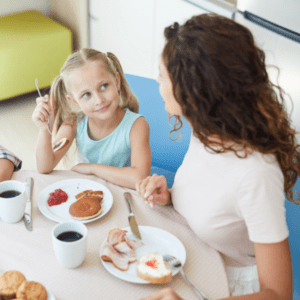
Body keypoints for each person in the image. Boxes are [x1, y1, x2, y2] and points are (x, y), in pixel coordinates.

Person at [136, 13, 300, 300]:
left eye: (162, 75)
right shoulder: (206, 130)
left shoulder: (256, 174)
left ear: (193, 91)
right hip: (190, 258)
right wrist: (171, 195)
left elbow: (278, 294)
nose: (157, 81)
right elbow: (218, 200)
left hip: (229, 286)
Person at [32, 48, 151, 189]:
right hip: (87, 191)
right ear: (75, 101)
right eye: (87, 95)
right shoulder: (73, 123)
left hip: (123, 193)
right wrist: (44, 130)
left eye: (104, 86)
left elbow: (140, 177)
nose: (99, 100)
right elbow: (44, 167)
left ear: (117, 82)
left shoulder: (137, 125)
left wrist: (93, 168)